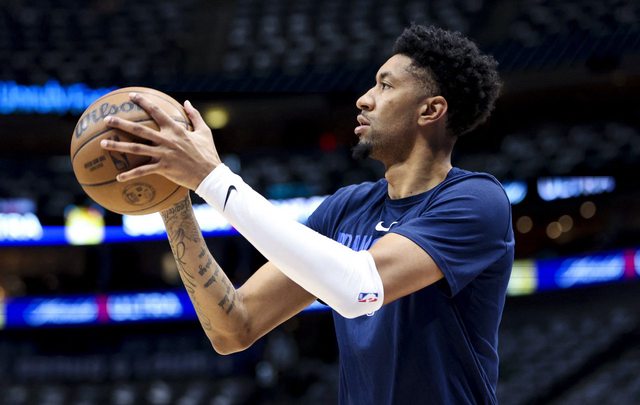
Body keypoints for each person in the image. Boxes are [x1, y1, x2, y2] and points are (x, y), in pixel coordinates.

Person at [100, 24, 514, 405]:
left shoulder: (476, 201)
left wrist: (211, 178)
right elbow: (234, 328)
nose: (364, 99)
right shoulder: (346, 208)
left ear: (430, 110)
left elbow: (360, 290)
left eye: (385, 86)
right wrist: (173, 199)